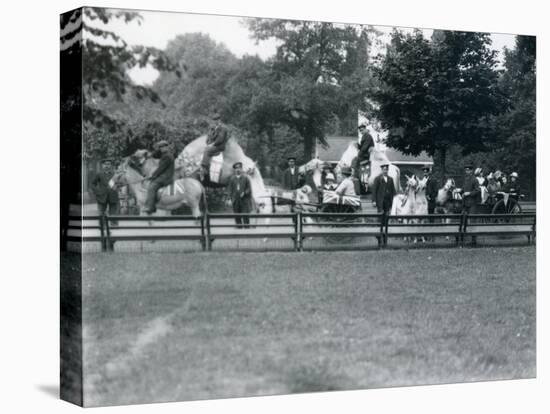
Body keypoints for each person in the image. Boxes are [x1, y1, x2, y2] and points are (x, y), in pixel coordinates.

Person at [143, 140, 175, 214]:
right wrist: (150, 154)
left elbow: (161, 168)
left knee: (152, 186)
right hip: (164, 176)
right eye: (160, 147)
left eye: (163, 147)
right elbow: (156, 154)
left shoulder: (167, 156)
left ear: (167, 147)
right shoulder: (165, 154)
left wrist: (153, 175)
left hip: (165, 177)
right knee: (151, 183)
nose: (161, 148)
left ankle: (150, 207)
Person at [200, 112, 230, 180]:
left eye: (216, 120)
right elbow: (209, 136)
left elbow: (220, 139)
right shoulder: (212, 128)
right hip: (213, 145)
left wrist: (212, 144)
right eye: (214, 120)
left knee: (207, 151)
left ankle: (204, 169)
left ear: (219, 120)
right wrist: (208, 142)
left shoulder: (223, 128)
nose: (215, 122)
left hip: (219, 146)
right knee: (202, 149)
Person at [227, 162, 253, 228]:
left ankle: (247, 232)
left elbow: (249, 189)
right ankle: (239, 232)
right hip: (235, 200)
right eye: (236, 168)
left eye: (239, 168)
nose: (238, 169)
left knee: (245, 216)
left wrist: (244, 192)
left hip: (244, 201)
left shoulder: (246, 178)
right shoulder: (232, 179)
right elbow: (230, 189)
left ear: (241, 169)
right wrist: (229, 198)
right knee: (237, 216)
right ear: (234, 170)